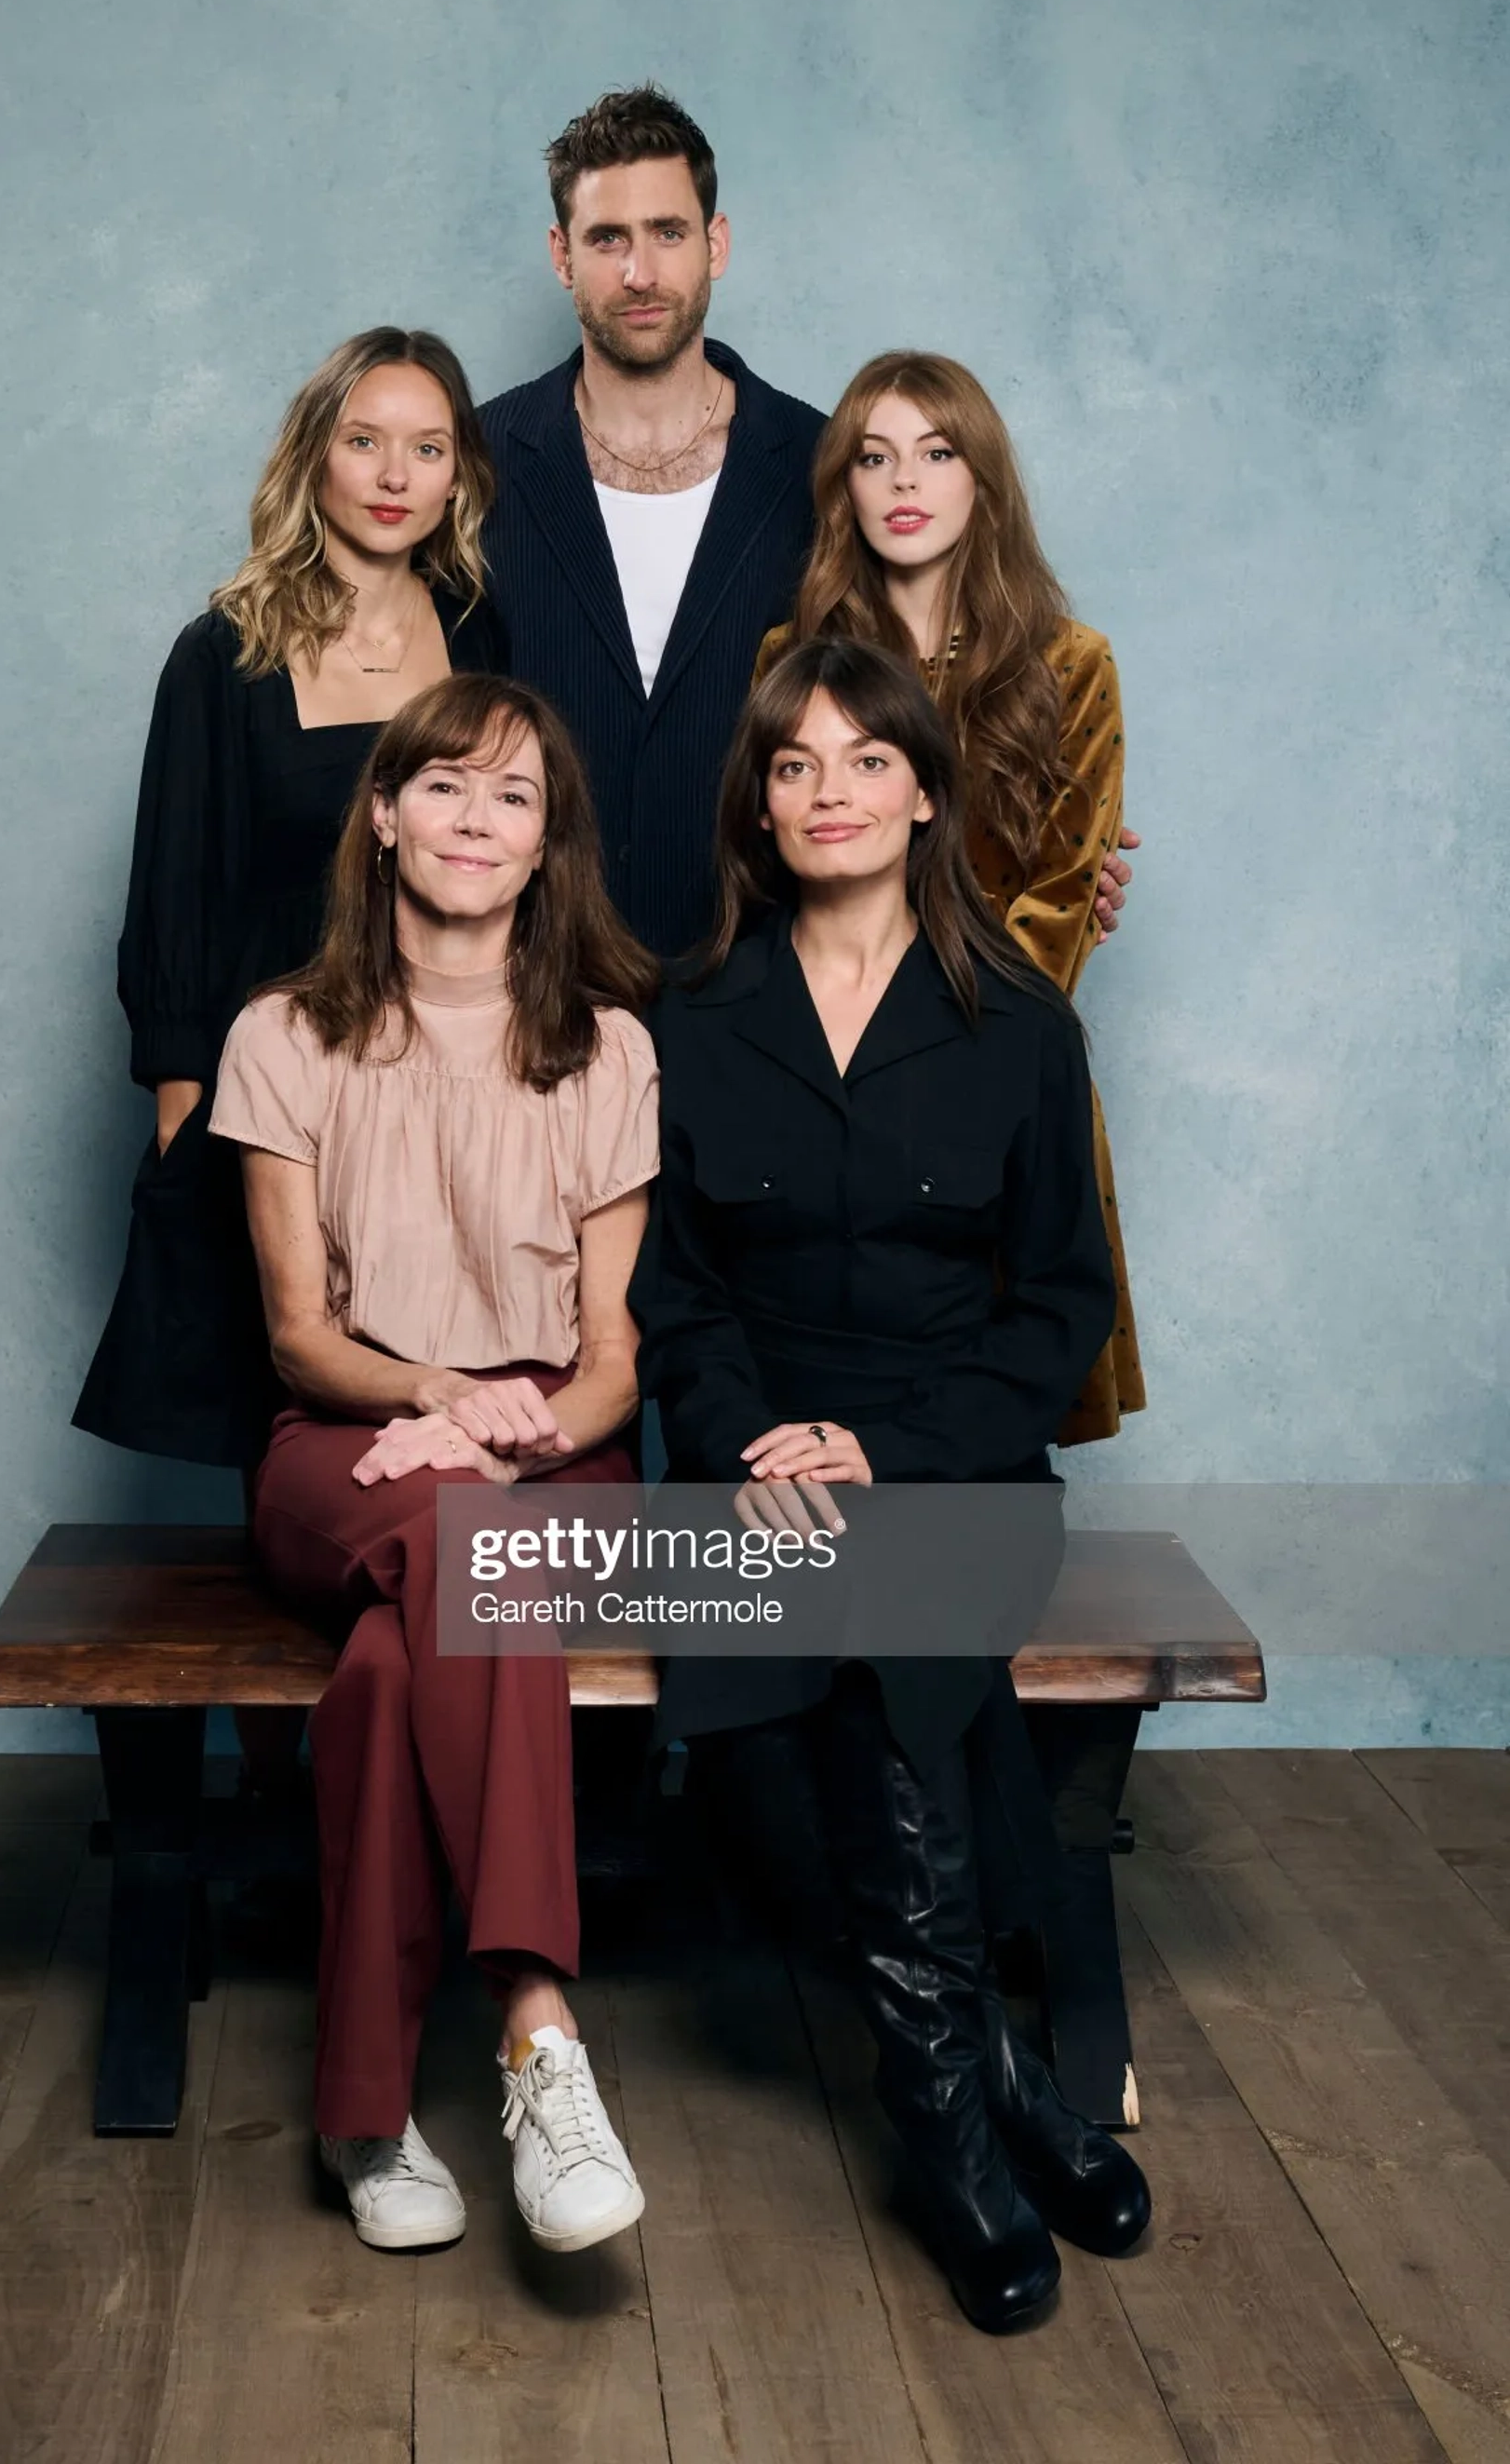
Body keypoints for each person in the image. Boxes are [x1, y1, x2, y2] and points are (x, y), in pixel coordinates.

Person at [635, 637, 1151, 2332]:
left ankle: (943, 2114)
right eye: (794, 766)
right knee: (826, 1674)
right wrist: (743, 1442)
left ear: (924, 793)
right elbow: (674, 1292)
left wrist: (893, 1448)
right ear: (760, 804)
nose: (828, 792)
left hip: (956, 1465)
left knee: (883, 1618)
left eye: (866, 761)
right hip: (757, 1461)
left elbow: (1062, 1306)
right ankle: (987, 2085)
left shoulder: (1019, 1022)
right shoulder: (690, 1020)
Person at [210, 674, 657, 2255]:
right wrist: (440, 1398)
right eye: (446, 787)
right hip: (348, 1446)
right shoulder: (280, 1031)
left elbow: (610, 1361)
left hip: (554, 1459)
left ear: (549, 846)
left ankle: (363, 2111)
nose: (478, 820)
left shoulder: (608, 1047)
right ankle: (540, 2027)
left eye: (515, 796)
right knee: (463, 1539)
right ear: (385, 815)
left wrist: (502, 1427)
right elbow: (295, 1338)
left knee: (406, 1666)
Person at [479, 88, 1137, 965]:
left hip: (766, 999)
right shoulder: (474, 462)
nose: (640, 273)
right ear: (563, 255)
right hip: (524, 980)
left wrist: (1058, 839)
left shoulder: (831, 466)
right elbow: (399, 705)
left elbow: (932, 681)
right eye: (608, 239)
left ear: (716, 244)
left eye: (669, 232)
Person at [74, 327, 503, 1475]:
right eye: (366, 442)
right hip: (275, 1079)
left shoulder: (481, 638)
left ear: (460, 471)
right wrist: (181, 1106)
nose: (396, 475)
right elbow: (173, 894)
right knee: (277, 1398)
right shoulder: (223, 653)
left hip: (440, 1072)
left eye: (428, 446)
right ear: (317, 456)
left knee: (421, 1400)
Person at [756, 350, 1145, 1443]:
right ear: (844, 488)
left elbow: (1062, 901)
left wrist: (924, 1055)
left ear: (984, 479)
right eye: (874, 459)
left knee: (982, 1392)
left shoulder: (1068, 663)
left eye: (937, 453)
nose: (905, 483)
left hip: (1000, 1063)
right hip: (822, 1060)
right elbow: (772, 874)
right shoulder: (792, 659)